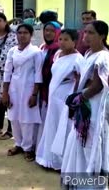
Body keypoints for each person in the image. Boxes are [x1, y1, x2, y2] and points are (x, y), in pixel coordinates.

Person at [61, 21, 109, 189]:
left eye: (91, 33)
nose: (86, 36)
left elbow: (97, 85)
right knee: (80, 141)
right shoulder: (88, 53)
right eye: (85, 32)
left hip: (93, 107)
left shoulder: (103, 56)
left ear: (102, 36)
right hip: (84, 104)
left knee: (90, 142)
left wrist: (79, 98)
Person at [36, 29, 85, 170]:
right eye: (60, 39)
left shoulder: (78, 59)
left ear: (74, 41)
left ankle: (62, 161)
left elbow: (80, 80)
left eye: (66, 40)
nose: (62, 42)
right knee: (52, 124)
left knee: (65, 126)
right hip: (54, 93)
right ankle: (48, 158)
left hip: (66, 95)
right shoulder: (57, 54)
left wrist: (74, 98)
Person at [2, 24, 42, 161]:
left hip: (29, 88)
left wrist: (34, 94)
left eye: (25, 32)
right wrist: (5, 92)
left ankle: (28, 147)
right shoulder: (12, 51)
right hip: (14, 87)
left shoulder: (36, 52)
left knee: (27, 119)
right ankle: (18, 144)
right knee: (13, 116)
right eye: (19, 32)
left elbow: (38, 74)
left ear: (31, 35)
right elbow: (7, 72)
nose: (22, 35)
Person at [37, 21, 61, 148]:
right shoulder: (42, 47)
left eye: (52, 31)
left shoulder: (60, 49)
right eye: (46, 30)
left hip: (53, 89)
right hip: (42, 88)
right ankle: (41, 148)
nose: (48, 33)